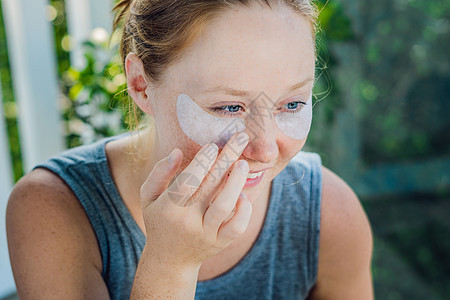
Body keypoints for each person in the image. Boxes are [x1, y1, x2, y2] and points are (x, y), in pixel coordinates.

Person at [6, 0, 374, 299]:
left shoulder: (329, 213)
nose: (264, 150)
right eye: (229, 108)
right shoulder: (52, 209)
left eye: (292, 104)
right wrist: (170, 265)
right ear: (140, 84)